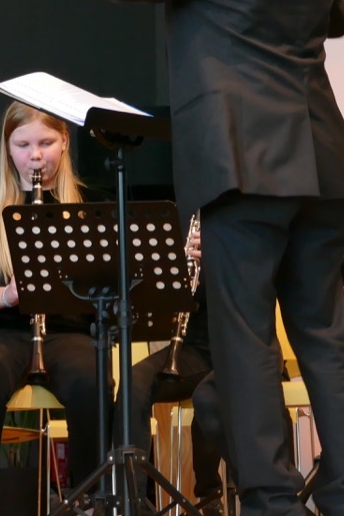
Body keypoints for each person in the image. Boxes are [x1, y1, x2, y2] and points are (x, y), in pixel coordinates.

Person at [0, 0, 344, 516]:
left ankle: (272, 504)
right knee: (324, 339)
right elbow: (334, 17)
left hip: (244, 165)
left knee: (245, 343)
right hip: (321, 166)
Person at [0, 101, 104, 516]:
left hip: (68, 331)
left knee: (91, 382)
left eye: (46, 143)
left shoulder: (89, 206)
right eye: (23, 145)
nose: (35, 156)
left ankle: (86, 502)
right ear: (7, 147)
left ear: (65, 141)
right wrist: (8, 295)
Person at [111, 218, 225, 513]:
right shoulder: (183, 218)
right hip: (197, 347)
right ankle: (132, 502)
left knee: (212, 393)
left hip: (241, 345)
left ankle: (209, 497)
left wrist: (221, 257)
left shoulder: (244, 211)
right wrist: (170, 270)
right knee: (134, 383)